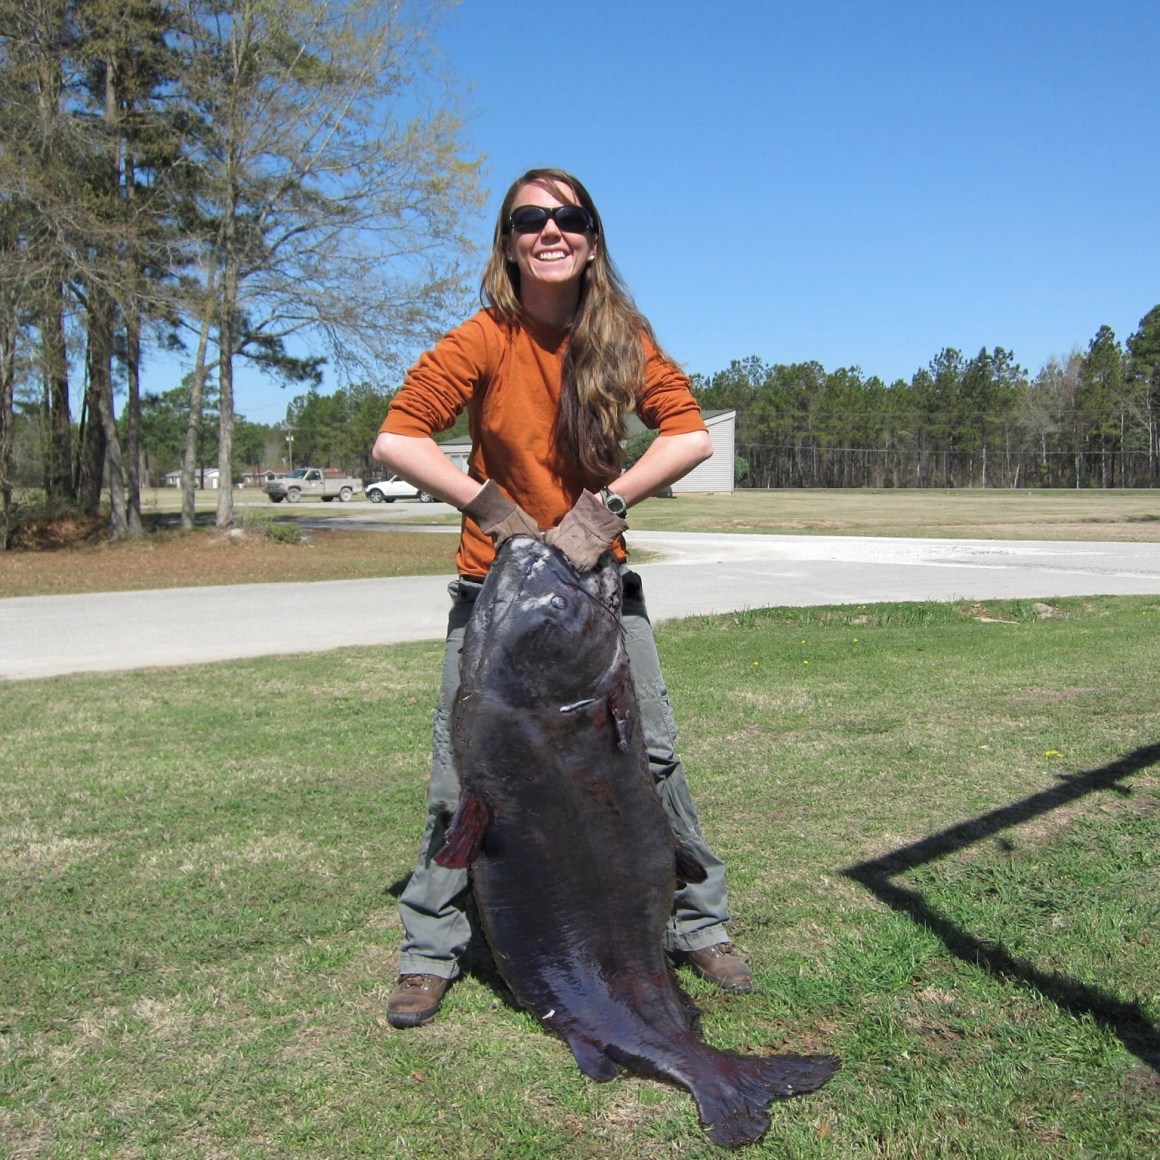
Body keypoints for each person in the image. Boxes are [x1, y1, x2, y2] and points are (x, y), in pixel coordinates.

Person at [372, 167, 752, 1029]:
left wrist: (603, 509)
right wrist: (495, 512)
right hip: (495, 599)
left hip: (596, 592)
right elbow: (398, 439)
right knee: (462, 774)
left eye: (568, 217)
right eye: (529, 219)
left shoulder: (622, 340)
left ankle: (698, 924)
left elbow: (689, 436)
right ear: (508, 243)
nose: (550, 231)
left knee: (651, 756)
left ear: (591, 237)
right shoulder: (485, 339)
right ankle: (430, 950)